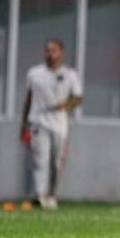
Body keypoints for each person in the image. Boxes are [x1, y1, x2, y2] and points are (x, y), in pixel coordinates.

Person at [19, 39, 83, 210]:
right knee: (40, 159)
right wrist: (23, 124)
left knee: (55, 163)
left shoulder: (70, 74)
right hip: (38, 121)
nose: (49, 54)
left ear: (61, 52)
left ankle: (51, 194)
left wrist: (65, 105)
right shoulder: (34, 73)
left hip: (59, 124)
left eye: (53, 50)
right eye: (47, 50)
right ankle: (39, 195)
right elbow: (28, 98)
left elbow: (78, 98)